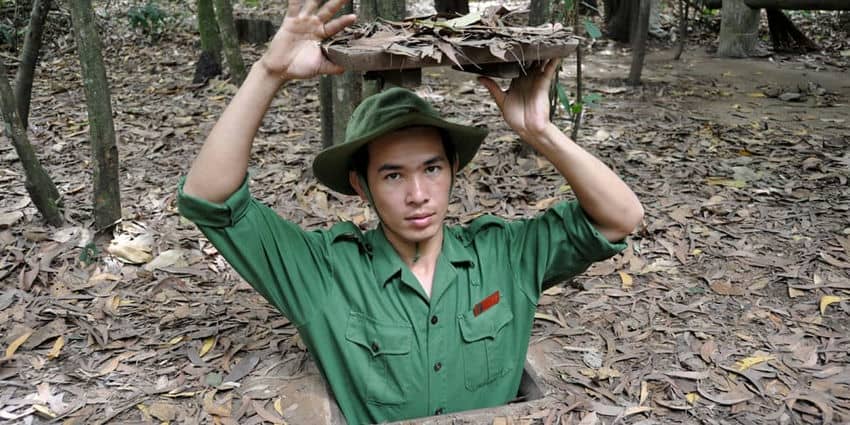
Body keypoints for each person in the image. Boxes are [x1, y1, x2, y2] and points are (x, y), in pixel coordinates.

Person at [178, 0, 644, 423]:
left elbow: (619, 219)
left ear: (453, 169)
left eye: (432, 169)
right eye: (393, 175)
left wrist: (540, 132)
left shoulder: (504, 253)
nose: (418, 193)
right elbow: (210, 199)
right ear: (362, 186)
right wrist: (269, 71)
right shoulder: (324, 273)